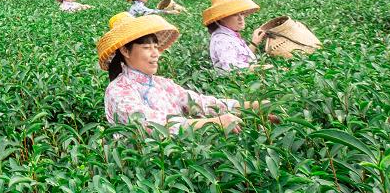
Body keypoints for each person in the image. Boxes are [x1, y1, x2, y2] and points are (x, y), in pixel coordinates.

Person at [98, 12, 268, 133]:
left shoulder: (162, 83)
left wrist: (251, 107)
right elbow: (152, 126)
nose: (155, 53)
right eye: (146, 48)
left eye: (156, 47)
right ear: (126, 52)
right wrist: (213, 123)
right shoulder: (118, 90)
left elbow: (198, 103)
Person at [202, 0, 260, 73]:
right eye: (235, 15)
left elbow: (243, 60)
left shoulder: (230, 36)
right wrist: (266, 68)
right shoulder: (222, 40)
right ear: (222, 18)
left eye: (242, 14)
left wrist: (255, 42)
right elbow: (233, 70)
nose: (241, 18)